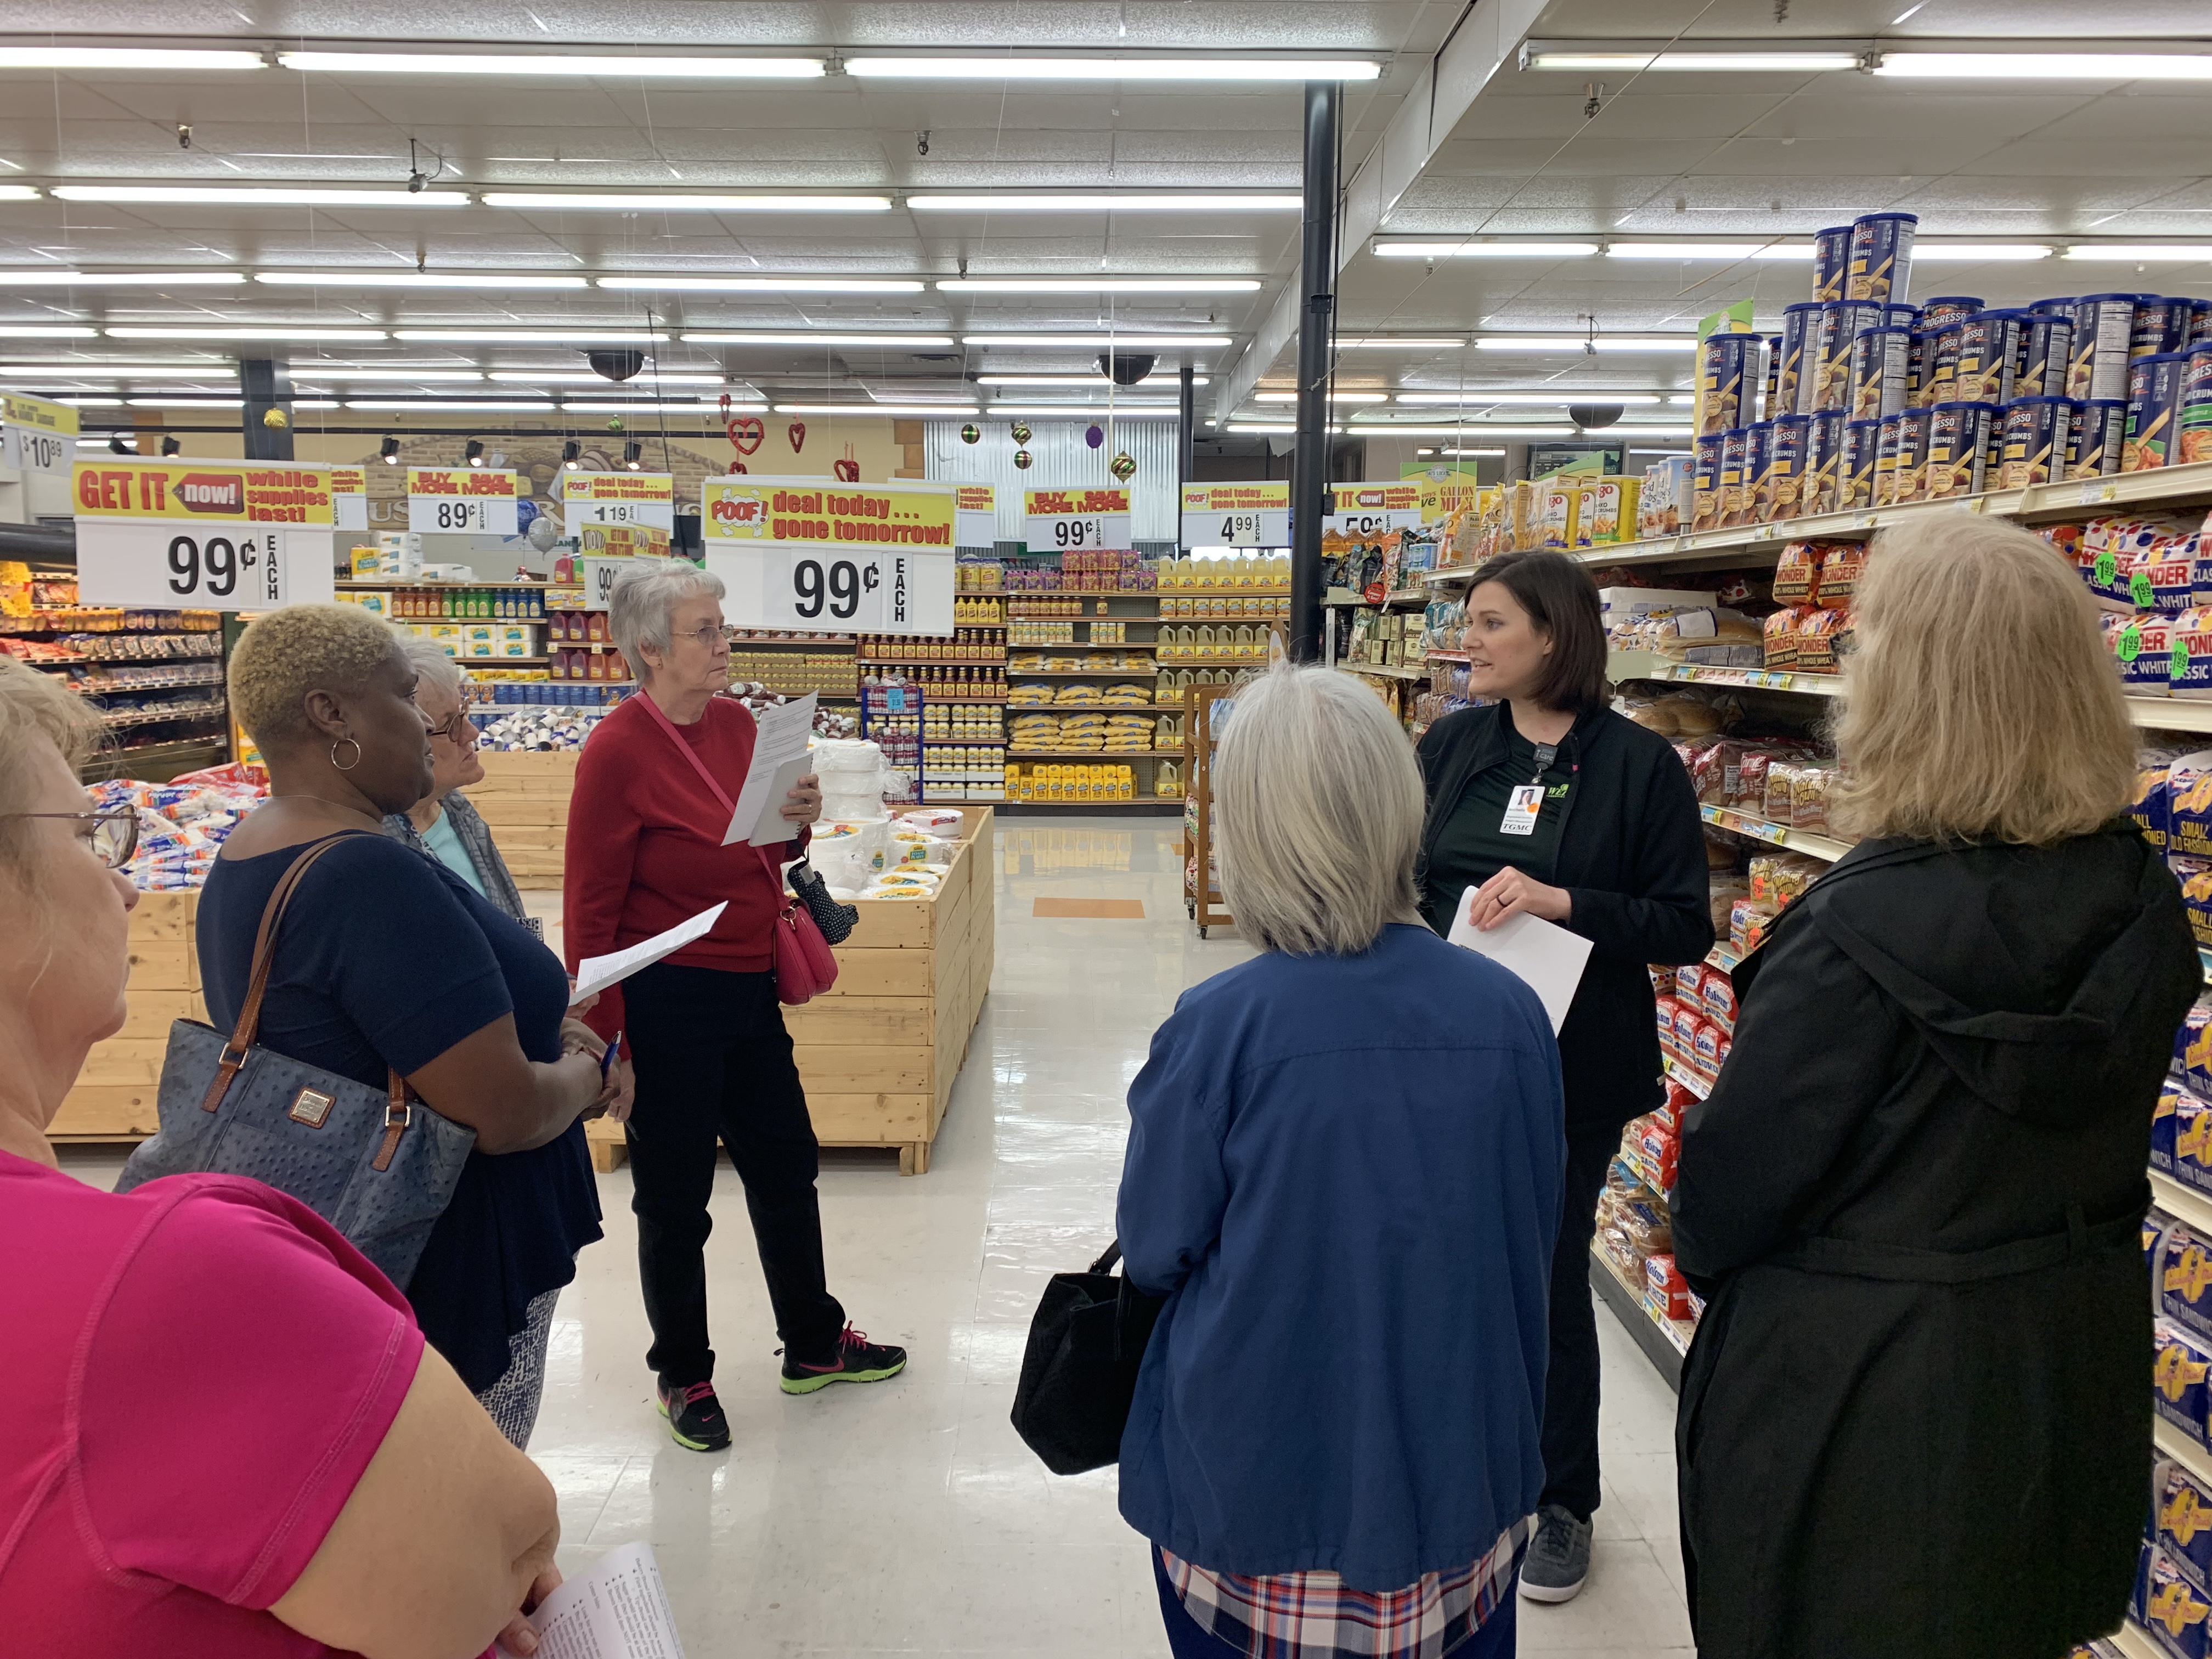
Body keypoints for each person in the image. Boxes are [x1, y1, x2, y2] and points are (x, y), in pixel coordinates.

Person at [1671, 516, 2199, 1658]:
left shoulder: (1851, 934)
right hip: (2058, 1378)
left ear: (1909, 693)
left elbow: (1723, 1209)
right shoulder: (2144, 904)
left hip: (1855, 1403)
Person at [0, 656, 569, 1658]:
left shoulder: (261, 849)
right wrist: (587, 1060)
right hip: (426, 1244)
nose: (126, 882)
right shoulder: (175, 1275)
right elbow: (509, 1551)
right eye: (90, 833)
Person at [1117, 663, 1565, 1659]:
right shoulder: (1511, 1013)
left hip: (1258, 1504)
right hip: (1459, 1491)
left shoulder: (1214, 1028)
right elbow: (1535, 1225)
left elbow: (1151, 1251)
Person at [205, 602, 624, 1449]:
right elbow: (501, 1114)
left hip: (339, 1246)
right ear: (332, 714)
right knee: (477, 1488)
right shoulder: (372, 878)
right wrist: (587, 1071)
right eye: (405, 699)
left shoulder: (252, 849)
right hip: (444, 1266)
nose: (427, 730)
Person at [1412, 548, 1712, 1603]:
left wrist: (1559, 901)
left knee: (1544, 1272)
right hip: (1445, 1056)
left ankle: (1562, 1500)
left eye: (1491, 622)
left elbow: (1684, 923)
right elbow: (1406, 871)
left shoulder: (1637, 765)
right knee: (1448, 1261)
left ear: (1553, 634)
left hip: (1569, 1068)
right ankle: (1461, 1461)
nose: (1472, 640)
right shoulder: (1451, 745)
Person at [566, 560, 904, 1454]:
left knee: (786, 1166)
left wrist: (800, 814)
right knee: (675, 1200)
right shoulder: (614, 751)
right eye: (704, 630)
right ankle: (684, 1371)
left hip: (751, 983)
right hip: (667, 999)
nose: (724, 644)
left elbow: (767, 840)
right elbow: (590, 909)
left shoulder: (738, 723)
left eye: (722, 625)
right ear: (648, 647)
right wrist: (602, 1043)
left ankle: (814, 1340)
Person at [381, 634, 534, 932]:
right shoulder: (381, 848)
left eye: (464, 713)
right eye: (451, 724)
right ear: (403, 741)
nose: (472, 733)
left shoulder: (457, 810)